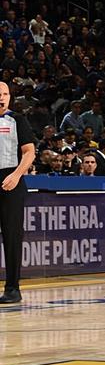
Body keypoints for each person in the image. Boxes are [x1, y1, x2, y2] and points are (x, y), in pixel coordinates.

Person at [0, 81, 36, 304]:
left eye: (5, 94)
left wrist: (16, 175)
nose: (2, 97)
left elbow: (29, 152)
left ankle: (13, 288)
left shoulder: (17, 120)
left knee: (12, 235)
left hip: (10, 179)